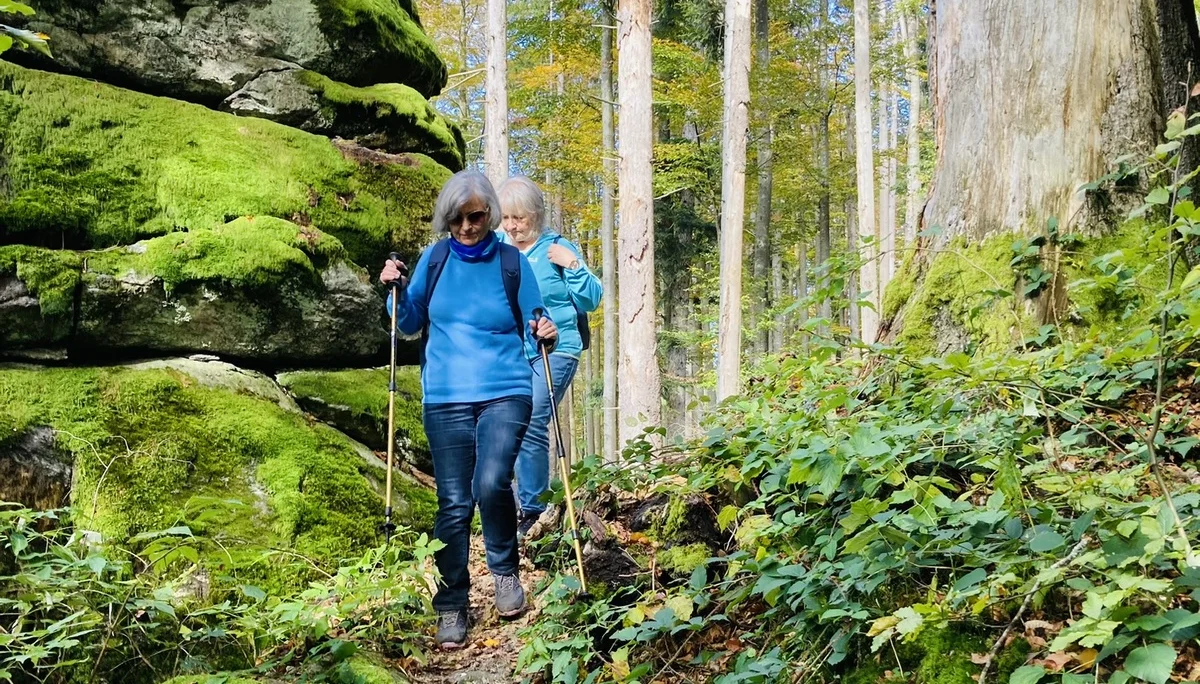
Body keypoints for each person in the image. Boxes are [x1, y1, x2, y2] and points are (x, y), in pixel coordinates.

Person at [379, 170, 558, 650]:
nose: (466, 226)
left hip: (505, 389)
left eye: (475, 216)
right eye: (456, 218)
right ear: (446, 218)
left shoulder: (511, 263)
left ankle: (503, 572)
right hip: (446, 395)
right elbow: (410, 322)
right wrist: (394, 294)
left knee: (491, 481)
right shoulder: (434, 261)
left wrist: (546, 332)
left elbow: (539, 319)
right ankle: (452, 602)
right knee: (454, 501)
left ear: (490, 215)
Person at [496, 176, 602, 539]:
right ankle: (504, 508)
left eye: (519, 219)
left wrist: (573, 265)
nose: (512, 226)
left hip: (557, 349)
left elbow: (591, 299)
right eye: (506, 218)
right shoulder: (497, 248)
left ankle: (534, 508)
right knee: (501, 426)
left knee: (531, 417)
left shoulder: (557, 248)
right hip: (511, 353)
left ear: (536, 216)